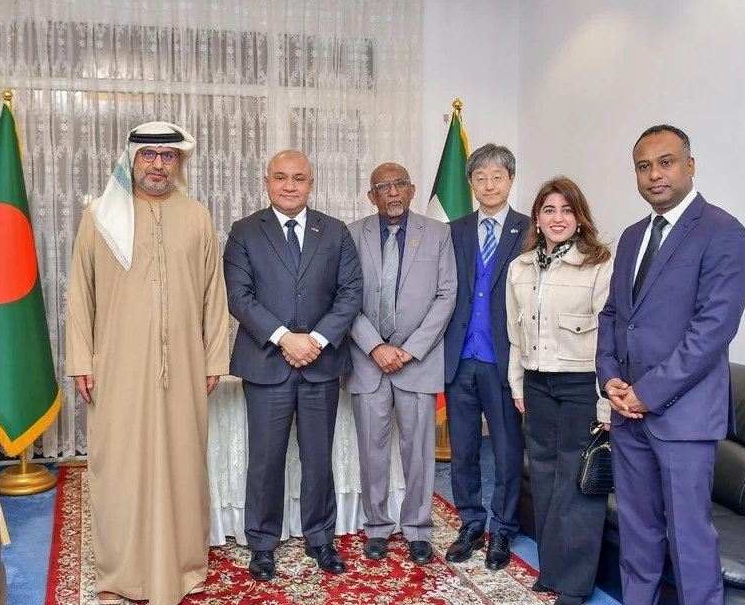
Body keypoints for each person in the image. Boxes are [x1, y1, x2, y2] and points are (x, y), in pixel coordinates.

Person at [578, 125, 745, 605]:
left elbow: (712, 332)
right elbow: (613, 317)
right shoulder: (631, 237)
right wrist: (610, 379)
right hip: (627, 409)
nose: (654, 175)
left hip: (682, 414)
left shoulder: (724, 234)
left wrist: (648, 392)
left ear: (690, 165)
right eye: (644, 167)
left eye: (666, 163)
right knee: (638, 525)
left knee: (689, 535)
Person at [65, 121, 230, 605]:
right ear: (132, 159)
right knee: (119, 465)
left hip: (184, 364)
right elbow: (81, 294)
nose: (159, 164)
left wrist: (214, 356)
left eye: (169, 156)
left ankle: (181, 567)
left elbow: (212, 295)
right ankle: (119, 572)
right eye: (150, 155)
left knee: (181, 465)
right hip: (115, 363)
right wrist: (80, 360)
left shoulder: (196, 215)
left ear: (180, 163)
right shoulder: (100, 215)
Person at [223, 149, 362, 581]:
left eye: (298, 178)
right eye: (280, 177)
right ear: (266, 182)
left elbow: (350, 293)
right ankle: (262, 544)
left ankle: (320, 539)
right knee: (265, 460)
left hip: (320, 364)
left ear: (311, 183)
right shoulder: (245, 231)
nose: (289, 185)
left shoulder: (335, 232)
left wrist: (316, 341)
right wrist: (286, 338)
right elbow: (239, 296)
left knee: (318, 459)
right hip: (266, 364)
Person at [506, 176, 612, 605]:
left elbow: (610, 339)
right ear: (537, 217)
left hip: (580, 384)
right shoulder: (522, 266)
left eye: (566, 210)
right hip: (536, 383)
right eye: (549, 210)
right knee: (545, 477)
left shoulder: (599, 264)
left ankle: (574, 582)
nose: (557, 218)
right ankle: (551, 570)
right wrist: (517, 386)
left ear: (579, 217)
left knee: (577, 481)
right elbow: (515, 333)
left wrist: (606, 401)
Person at [345, 163, 456, 565]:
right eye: (382, 187)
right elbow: (344, 298)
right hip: (368, 360)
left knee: (419, 452)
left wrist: (409, 350)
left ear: (411, 190)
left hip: (417, 362)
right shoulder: (353, 234)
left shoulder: (439, 234)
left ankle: (418, 529)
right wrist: (375, 347)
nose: (392, 193)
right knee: (372, 450)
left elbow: (447, 296)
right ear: (371, 196)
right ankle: (377, 527)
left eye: (399, 185)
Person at [441, 143, 529, 570]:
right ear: (471, 183)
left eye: (497, 176)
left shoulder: (530, 230)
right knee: (464, 450)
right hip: (459, 358)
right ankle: (471, 524)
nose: (489, 184)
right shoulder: (454, 230)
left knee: (509, 452)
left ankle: (503, 531)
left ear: (511, 180)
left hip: (504, 361)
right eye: (480, 177)